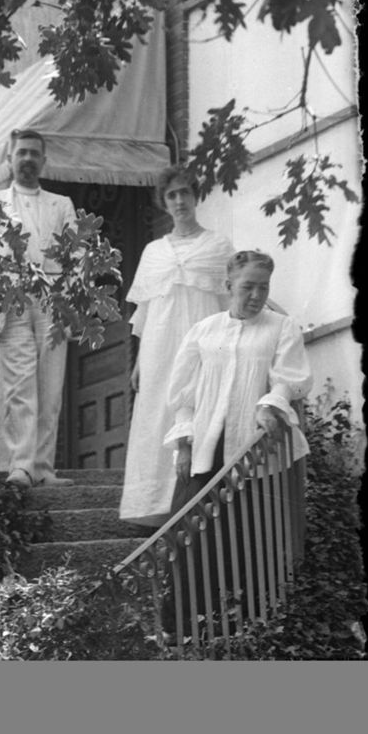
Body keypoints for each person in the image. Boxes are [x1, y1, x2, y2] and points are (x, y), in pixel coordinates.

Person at [162, 250, 312, 623]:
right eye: (248, 287)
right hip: (205, 449)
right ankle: (182, 624)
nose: (257, 295)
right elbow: (184, 394)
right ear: (229, 286)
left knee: (249, 538)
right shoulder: (204, 331)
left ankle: (249, 625)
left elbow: (288, 379)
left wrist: (270, 403)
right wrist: (183, 444)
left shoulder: (281, 327)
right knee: (189, 534)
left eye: (263, 287)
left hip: (255, 453)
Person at [119, 164, 233, 525]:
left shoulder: (218, 246)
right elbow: (144, 310)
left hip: (202, 342)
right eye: (172, 195)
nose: (179, 200)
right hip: (159, 346)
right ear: (163, 203)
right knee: (159, 410)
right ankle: (153, 504)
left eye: (185, 192)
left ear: (195, 196)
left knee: (199, 406)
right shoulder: (153, 251)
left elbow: (228, 302)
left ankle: (195, 495)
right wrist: (138, 362)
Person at [0, 129, 77, 488]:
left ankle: (43, 467)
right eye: (21, 153)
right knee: (19, 384)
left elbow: (76, 253)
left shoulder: (61, 204)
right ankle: (20, 465)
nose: (27, 159)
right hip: (13, 299)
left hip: (53, 300)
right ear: (9, 159)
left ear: (43, 161)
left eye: (34, 154)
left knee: (50, 387)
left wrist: (73, 301)